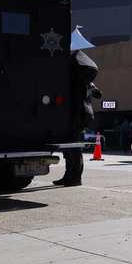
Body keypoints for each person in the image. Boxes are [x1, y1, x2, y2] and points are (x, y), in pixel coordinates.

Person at [54, 50, 99, 187]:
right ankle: (69, 176)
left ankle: (75, 177)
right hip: (81, 115)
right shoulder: (86, 82)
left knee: (74, 148)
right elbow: (99, 94)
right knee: (70, 147)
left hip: (77, 115)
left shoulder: (77, 81)